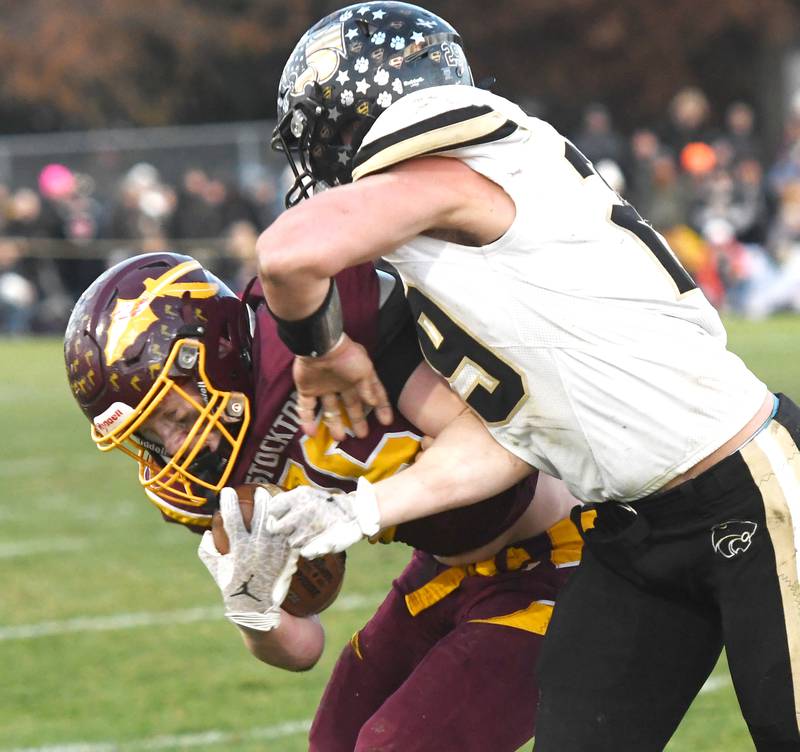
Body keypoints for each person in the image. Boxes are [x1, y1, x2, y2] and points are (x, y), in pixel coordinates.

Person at [252, 3, 800, 749]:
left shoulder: (462, 170)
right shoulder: (452, 260)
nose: (320, 167)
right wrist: (359, 510)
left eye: (324, 139)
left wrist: (321, 350)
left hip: (747, 487)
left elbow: (289, 254)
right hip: (631, 528)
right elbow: (506, 443)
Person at [63, 251, 582, 751]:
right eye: (149, 435)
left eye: (174, 416)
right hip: (447, 570)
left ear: (213, 353)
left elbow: (507, 446)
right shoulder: (215, 479)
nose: (175, 447)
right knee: (334, 740)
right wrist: (253, 611)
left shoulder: (312, 336)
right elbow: (303, 646)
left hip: (564, 552)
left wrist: (359, 510)